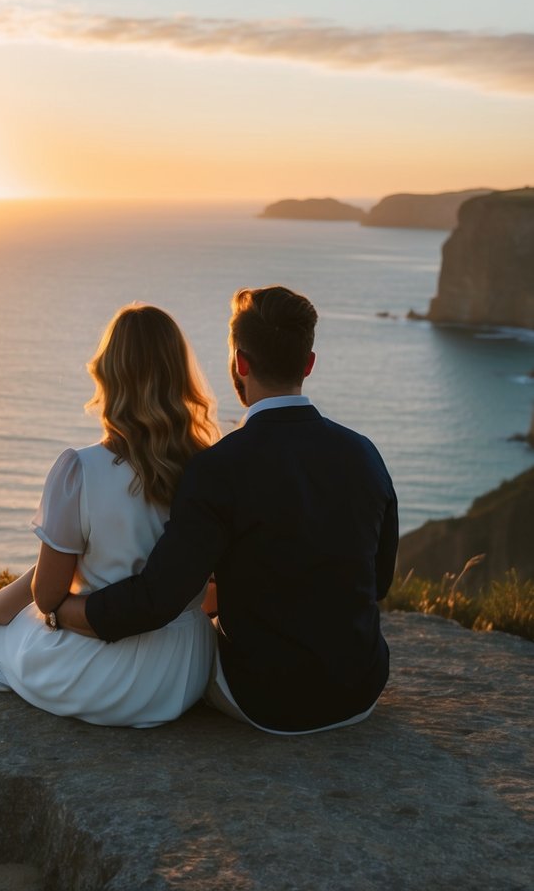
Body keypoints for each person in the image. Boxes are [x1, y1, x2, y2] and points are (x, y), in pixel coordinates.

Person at [57, 285, 399, 735]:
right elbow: (379, 582)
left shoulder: (219, 468)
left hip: (268, 703)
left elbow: (154, 602)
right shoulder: (364, 454)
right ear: (309, 364)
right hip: (360, 691)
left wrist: (61, 611)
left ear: (240, 362)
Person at [0, 303, 219, 728]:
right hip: (183, 670)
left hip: (109, 673)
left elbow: (48, 598)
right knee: (69, 560)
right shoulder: (211, 468)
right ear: (179, 375)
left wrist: (59, 603)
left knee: (14, 627)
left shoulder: (80, 470)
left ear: (109, 374)